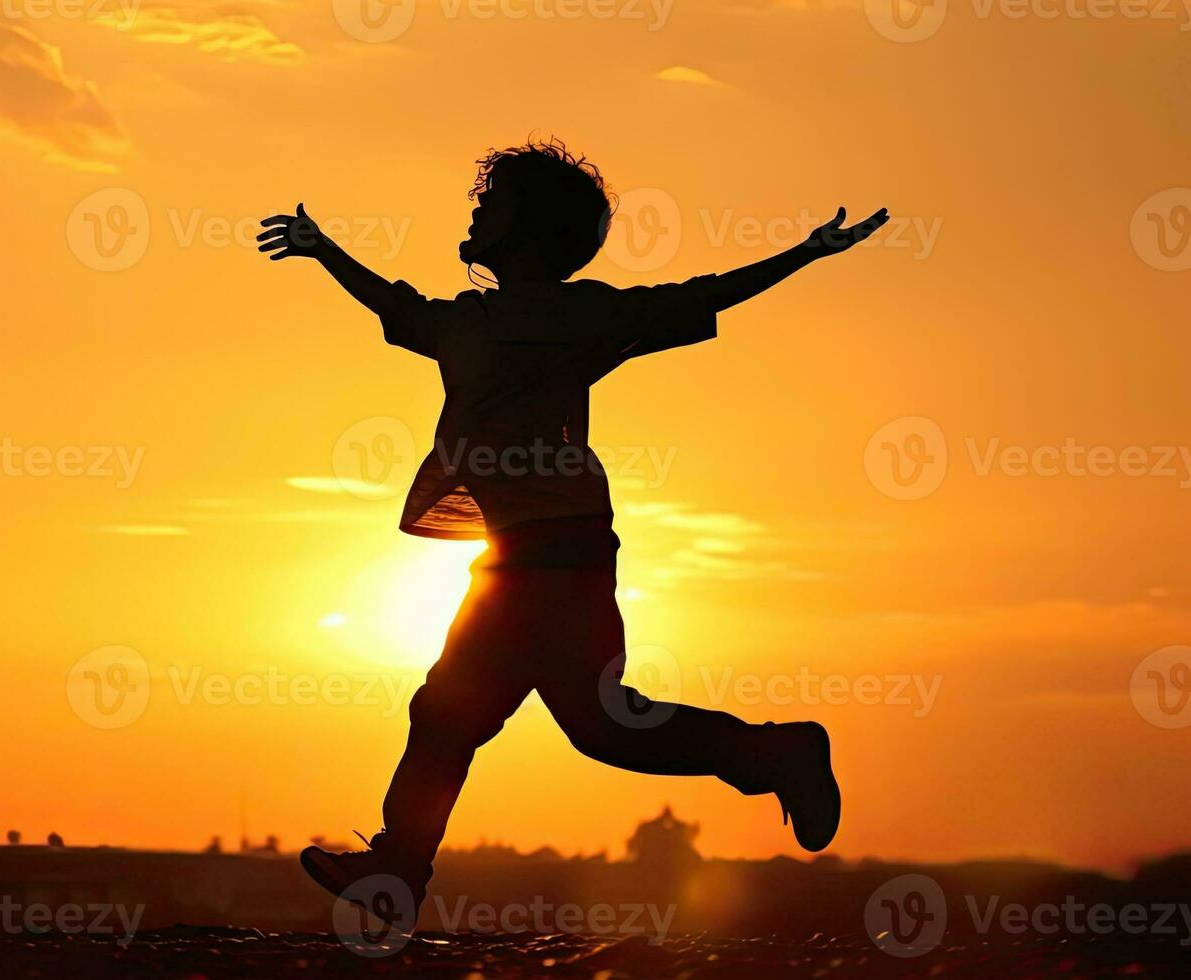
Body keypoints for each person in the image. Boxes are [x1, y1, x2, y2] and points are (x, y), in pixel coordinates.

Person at [256, 139, 888, 927]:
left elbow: (702, 294)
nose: (475, 214)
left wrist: (805, 252)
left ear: (529, 229)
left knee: (516, 718)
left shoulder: (586, 314)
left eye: (490, 206)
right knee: (548, 721)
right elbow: (398, 306)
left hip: (561, 551)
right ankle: (398, 869)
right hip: (515, 552)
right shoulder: (467, 323)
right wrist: (325, 253)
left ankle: (398, 870)